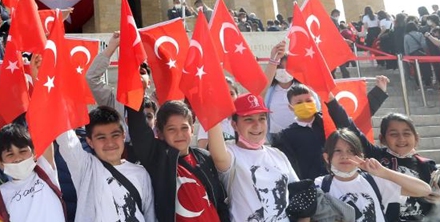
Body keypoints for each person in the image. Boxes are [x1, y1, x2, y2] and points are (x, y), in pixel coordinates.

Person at [328, 107, 440, 220]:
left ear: (416, 138)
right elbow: (349, 127)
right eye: (394, 134)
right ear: (382, 139)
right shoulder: (375, 157)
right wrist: (331, 101)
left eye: (407, 134)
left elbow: (431, 196)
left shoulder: (427, 165)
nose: (401, 139)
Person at [126, 100, 229, 222]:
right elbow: (139, 130)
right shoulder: (157, 158)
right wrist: (137, 91)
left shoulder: (205, 157)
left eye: (184, 128)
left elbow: (219, 200)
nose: (179, 134)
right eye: (171, 129)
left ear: (192, 129)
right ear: (160, 133)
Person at [271, 78, 388, 180]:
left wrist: (379, 92)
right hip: (315, 190)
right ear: (290, 107)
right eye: (299, 102)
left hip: (344, 179)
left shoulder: (330, 121)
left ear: (315, 102)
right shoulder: (285, 136)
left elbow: (356, 120)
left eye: (308, 101)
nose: (305, 105)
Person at [209, 93, 301, 222]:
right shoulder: (231, 154)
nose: (257, 125)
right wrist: (211, 109)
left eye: (262, 118)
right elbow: (218, 157)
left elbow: (299, 194)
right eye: (248, 119)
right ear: (234, 125)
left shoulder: (278, 155)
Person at [56, 105, 156, 222]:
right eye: (101, 137)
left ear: (124, 135)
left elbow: (150, 216)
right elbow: (65, 137)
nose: (110, 143)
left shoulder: (141, 173)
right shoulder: (86, 168)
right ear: (90, 142)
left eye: (115, 135)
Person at [316, 129, 431, 222]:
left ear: (360, 156)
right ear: (327, 157)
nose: (345, 156)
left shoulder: (374, 181)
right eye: (338, 151)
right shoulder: (320, 185)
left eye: (351, 151)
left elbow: (424, 190)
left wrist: (383, 172)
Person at [0, 123, 66, 222]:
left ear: (34, 153)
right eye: (10, 154)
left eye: (23, 151)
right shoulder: (0, 194)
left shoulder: (45, 170)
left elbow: (43, 125)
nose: (17, 158)